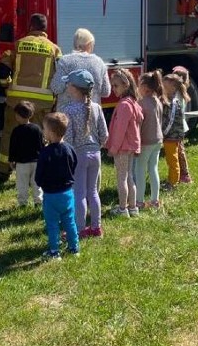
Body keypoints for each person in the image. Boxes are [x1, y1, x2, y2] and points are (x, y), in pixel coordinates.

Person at [0, 13, 62, 181]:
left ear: (31, 27)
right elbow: (61, 75)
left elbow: (3, 70)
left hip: (15, 102)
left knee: (10, 135)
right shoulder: (54, 49)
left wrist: (5, 85)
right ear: (45, 29)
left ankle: (3, 172)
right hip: (42, 104)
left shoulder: (18, 45)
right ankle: (40, 173)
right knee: (41, 137)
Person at [60, 69, 108, 238]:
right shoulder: (96, 107)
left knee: (79, 193)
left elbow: (68, 138)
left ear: (74, 88)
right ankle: (96, 227)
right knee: (93, 192)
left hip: (78, 155)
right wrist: (97, 147)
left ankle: (79, 229)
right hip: (95, 154)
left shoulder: (68, 110)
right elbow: (105, 135)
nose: (66, 86)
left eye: (68, 83)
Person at [34, 112, 79, 260]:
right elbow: (74, 165)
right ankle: (74, 248)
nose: (43, 131)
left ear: (51, 132)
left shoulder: (45, 153)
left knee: (52, 224)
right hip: (67, 193)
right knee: (70, 221)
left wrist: (40, 183)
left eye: (44, 128)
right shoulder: (69, 149)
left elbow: (39, 174)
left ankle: (54, 251)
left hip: (51, 195)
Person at [103, 68, 143, 218]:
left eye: (115, 86)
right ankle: (132, 208)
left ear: (126, 85)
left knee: (122, 178)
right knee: (129, 177)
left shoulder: (124, 105)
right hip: (130, 147)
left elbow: (120, 130)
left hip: (122, 148)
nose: (113, 89)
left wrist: (113, 148)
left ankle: (122, 209)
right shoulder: (133, 102)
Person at [50, 28, 111, 105]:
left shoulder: (65, 61)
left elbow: (55, 88)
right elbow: (106, 92)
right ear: (89, 44)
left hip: (67, 114)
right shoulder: (100, 63)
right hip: (91, 113)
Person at [133, 70, 165, 210]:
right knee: (153, 169)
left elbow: (138, 124)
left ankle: (139, 201)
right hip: (158, 140)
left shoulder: (141, 103)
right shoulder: (157, 100)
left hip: (145, 141)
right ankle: (154, 200)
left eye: (138, 85)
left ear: (144, 87)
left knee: (140, 170)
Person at [8, 100, 45, 208]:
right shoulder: (37, 128)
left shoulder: (16, 131)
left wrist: (11, 160)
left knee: (22, 184)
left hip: (22, 163)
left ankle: (23, 203)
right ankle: (38, 201)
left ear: (19, 116)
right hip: (36, 161)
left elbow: (13, 147)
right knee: (36, 184)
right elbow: (41, 145)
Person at [161, 68, 192, 189]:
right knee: (172, 158)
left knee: (172, 159)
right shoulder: (171, 100)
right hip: (172, 135)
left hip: (171, 135)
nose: (162, 87)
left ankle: (173, 182)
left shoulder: (173, 103)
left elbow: (170, 120)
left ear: (173, 88)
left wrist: (163, 132)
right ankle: (174, 179)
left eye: (164, 85)